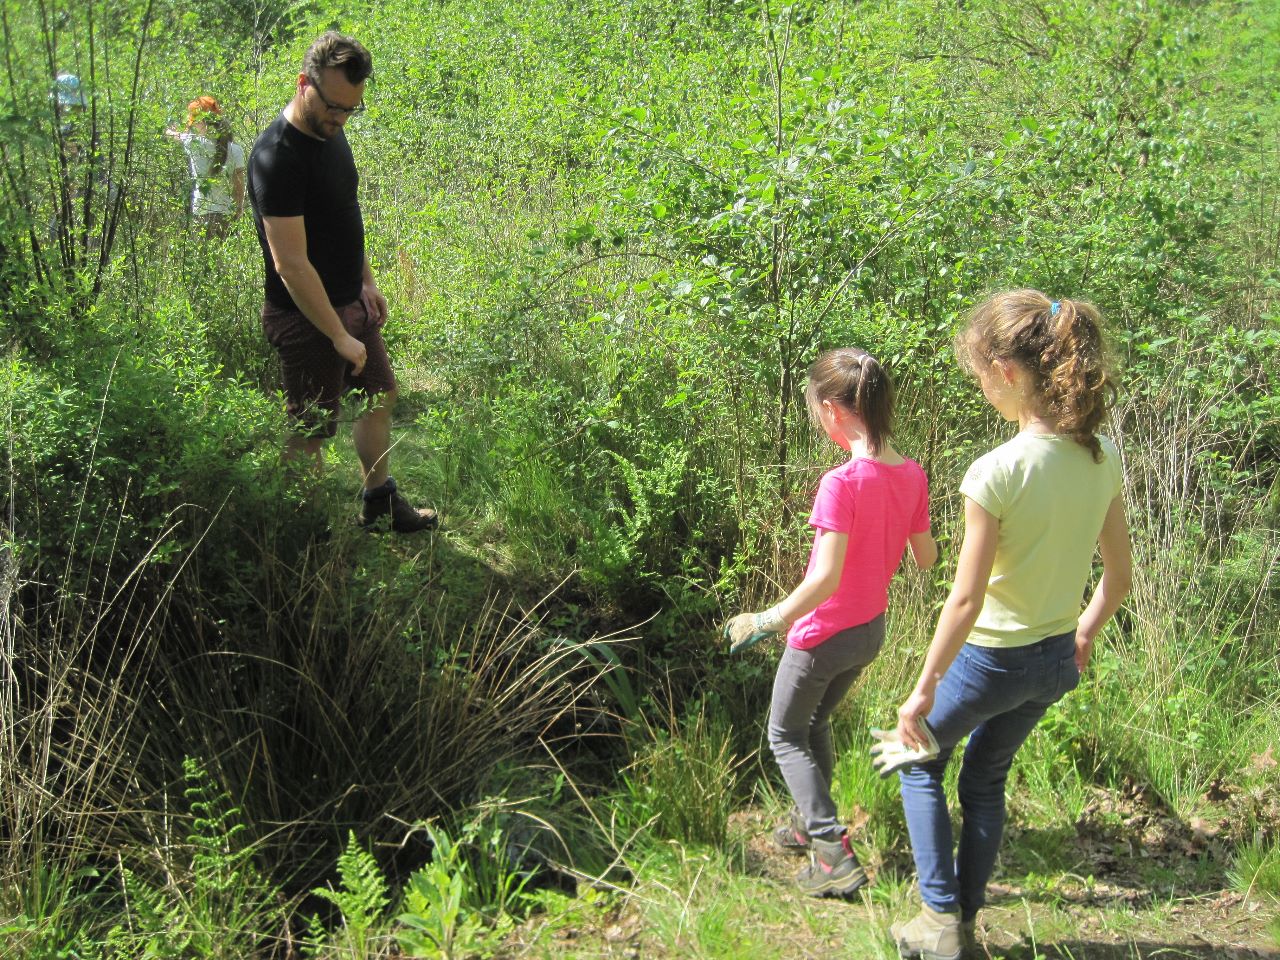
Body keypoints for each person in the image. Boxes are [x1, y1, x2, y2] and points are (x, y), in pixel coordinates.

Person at [888, 290, 1132, 960]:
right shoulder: (1100, 455)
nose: (982, 392)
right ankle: (959, 928)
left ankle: (940, 921)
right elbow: (1119, 578)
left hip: (993, 660)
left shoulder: (996, 471)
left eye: (979, 379)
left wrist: (922, 688)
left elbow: (964, 602)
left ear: (1006, 372)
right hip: (1053, 662)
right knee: (984, 778)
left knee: (917, 758)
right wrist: (1082, 635)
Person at [723, 348, 937, 897]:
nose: (818, 420)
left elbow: (824, 579)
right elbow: (927, 557)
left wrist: (765, 620)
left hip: (823, 636)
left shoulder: (840, 482)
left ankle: (829, 854)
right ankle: (806, 820)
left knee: (783, 734)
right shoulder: (912, 474)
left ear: (834, 410)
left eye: (817, 410)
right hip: (869, 632)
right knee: (813, 723)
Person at [247, 32, 437, 532]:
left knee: (380, 394)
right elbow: (291, 263)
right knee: (311, 428)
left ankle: (379, 500)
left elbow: (343, 215)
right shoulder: (276, 159)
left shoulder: (332, 130)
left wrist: (366, 280)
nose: (341, 118)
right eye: (333, 106)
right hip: (304, 315)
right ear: (303, 84)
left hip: (349, 300)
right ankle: (299, 534)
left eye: (352, 109)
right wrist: (337, 333)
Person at [166, 96, 245, 238]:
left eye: (194, 121)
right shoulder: (236, 150)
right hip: (227, 217)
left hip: (201, 215)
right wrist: (238, 211)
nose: (192, 125)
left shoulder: (193, 144)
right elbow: (239, 188)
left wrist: (170, 131)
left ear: (202, 122)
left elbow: (173, 135)